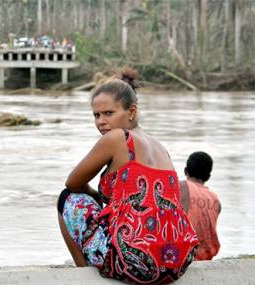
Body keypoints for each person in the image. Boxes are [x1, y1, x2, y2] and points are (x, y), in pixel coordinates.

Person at [57, 68, 198, 284]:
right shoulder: (160, 146)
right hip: (175, 260)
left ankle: (83, 275)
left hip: (132, 261)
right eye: (96, 115)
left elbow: (73, 183)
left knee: (67, 198)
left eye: (108, 113)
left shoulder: (117, 137)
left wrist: (94, 195)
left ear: (131, 112)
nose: (100, 121)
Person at [180, 151, 221, 260]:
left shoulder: (181, 187)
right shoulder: (215, 199)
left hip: (184, 257)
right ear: (208, 177)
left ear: (185, 171)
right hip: (206, 257)